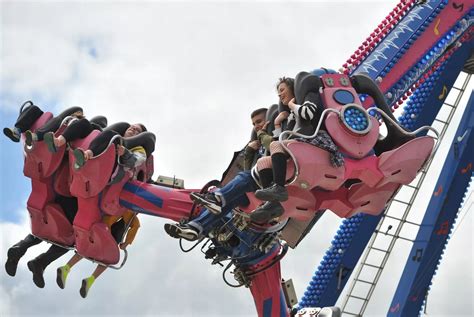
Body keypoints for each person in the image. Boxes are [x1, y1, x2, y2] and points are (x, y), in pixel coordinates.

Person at [164, 105, 276, 241]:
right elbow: (248, 168)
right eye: (254, 124)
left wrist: (263, 135)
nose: (256, 126)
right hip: (257, 184)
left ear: (269, 119)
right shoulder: (257, 143)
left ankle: (216, 198)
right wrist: (250, 151)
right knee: (229, 201)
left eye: (259, 121)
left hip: (274, 178)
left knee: (242, 179)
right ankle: (195, 227)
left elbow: (275, 147)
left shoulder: (276, 131)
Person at [251, 70, 344, 223]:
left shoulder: (308, 96)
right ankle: (273, 204)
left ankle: (279, 188)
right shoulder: (290, 113)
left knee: (276, 145)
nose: (280, 95)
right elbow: (284, 136)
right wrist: (277, 123)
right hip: (301, 143)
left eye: (282, 90)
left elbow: (308, 114)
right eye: (278, 93)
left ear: (293, 88)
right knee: (263, 162)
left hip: (317, 139)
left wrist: (292, 104)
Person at [56, 210, 140, 298]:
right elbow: (136, 226)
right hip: (109, 236)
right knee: (109, 259)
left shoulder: (118, 208)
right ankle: (90, 280)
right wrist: (126, 243)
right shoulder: (131, 216)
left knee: (87, 248)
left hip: (99, 228)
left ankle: (66, 267)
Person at [4, 194, 78, 288]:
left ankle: (21, 247)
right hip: (72, 209)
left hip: (51, 200)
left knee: (42, 229)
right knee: (69, 241)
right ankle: (40, 262)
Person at [72, 123, 148, 169]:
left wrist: (125, 153)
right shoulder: (113, 135)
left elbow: (136, 161)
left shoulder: (139, 149)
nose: (133, 128)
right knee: (90, 125)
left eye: (137, 129)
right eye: (132, 126)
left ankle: (86, 155)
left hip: (113, 168)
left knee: (112, 135)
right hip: (99, 158)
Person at [3, 100, 84, 144]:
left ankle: (35, 136)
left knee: (58, 120)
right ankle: (17, 131)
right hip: (45, 128)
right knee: (34, 108)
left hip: (53, 139)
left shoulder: (75, 128)